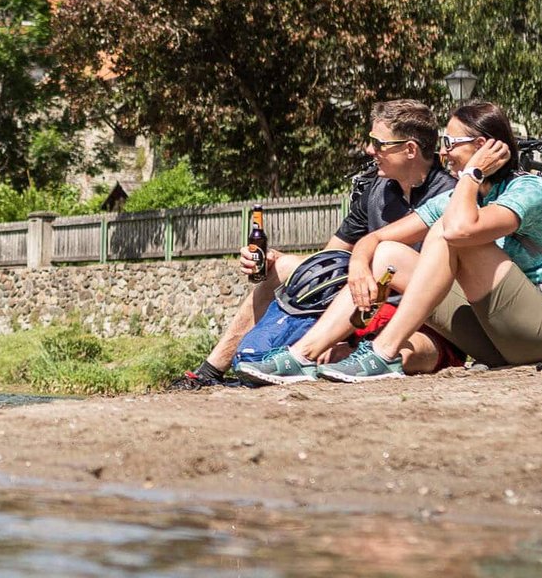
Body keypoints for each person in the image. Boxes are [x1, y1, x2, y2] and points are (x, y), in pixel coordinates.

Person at [241, 102, 542, 384]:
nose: (443, 153)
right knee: (388, 254)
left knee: (447, 233)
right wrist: (360, 265)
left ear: (482, 148)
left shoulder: (528, 191)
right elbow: (376, 239)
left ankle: (383, 353)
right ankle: (303, 355)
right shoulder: (459, 196)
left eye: (450, 144)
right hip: (496, 340)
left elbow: (461, 229)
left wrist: (472, 174)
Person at [169, 99, 458, 389]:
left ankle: (338, 353)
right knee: (282, 268)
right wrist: (279, 258)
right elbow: (329, 259)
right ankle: (209, 371)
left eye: (379, 143)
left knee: (396, 353)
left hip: (421, 319)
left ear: (410, 150)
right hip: (359, 306)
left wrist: (364, 266)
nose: (370, 150)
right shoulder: (375, 191)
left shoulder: (449, 195)